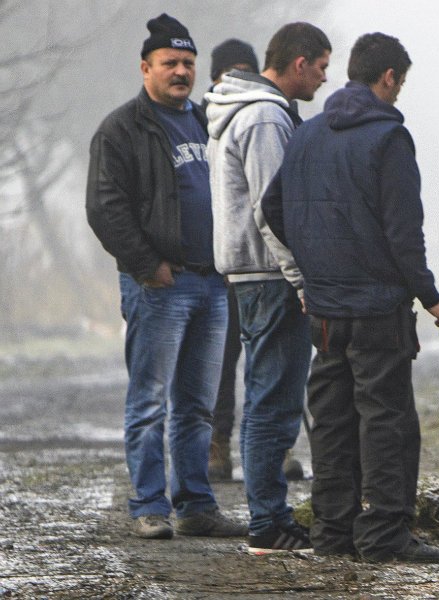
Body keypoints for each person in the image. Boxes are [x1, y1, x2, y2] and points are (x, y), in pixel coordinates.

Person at [261, 32, 439, 563]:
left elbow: (272, 209)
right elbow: (403, 233)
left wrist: (316, 267)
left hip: (325, 311)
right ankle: (384, 535)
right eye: (400, 82)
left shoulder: (307, 133)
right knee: (387, 422)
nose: (399, 92)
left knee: (332, 422)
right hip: (378, 311)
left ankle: (333, 532)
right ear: (389, 77)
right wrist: (432, 298)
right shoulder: (388, 138)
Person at [85, 13, 247, 540]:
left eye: (188, 63)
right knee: (150, 401)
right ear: (145, 68)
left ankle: (196, 505)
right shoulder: (121, 128)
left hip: (212, 283)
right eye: (170, 62)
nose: (181, 72)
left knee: (198, 406)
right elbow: (105, 207)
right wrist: (147, 265)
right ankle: (149, 505)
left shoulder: (205, 121)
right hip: (160, 286)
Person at [205, 22, 331, 554]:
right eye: (321, 67)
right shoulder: (263, 117)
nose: (324, 79)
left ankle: (270, 517)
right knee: (273, 404)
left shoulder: (243, 110)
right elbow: (275, 208)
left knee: (267, 398)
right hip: (271, 277)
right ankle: (267, 523)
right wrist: (301, 279)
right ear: (299, 63)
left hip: (252, 274)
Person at [204, 37, 260, 483]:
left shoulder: (269, 116)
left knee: (265, 359)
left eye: (245, 70)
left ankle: (270, 447)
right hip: (214, 265)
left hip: (257, 261)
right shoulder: (197, 123)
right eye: (229, 72)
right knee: (221, 362)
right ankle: (217, 441)